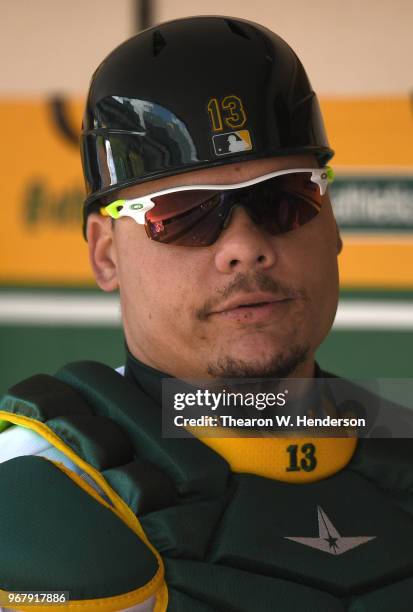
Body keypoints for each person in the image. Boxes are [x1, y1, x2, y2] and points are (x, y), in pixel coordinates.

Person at [1, 15, 413, 612]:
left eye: (285, 199)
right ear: (105, 252)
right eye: (182, 212)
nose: (245, 245)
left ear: (332, 224)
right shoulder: (38, 498)